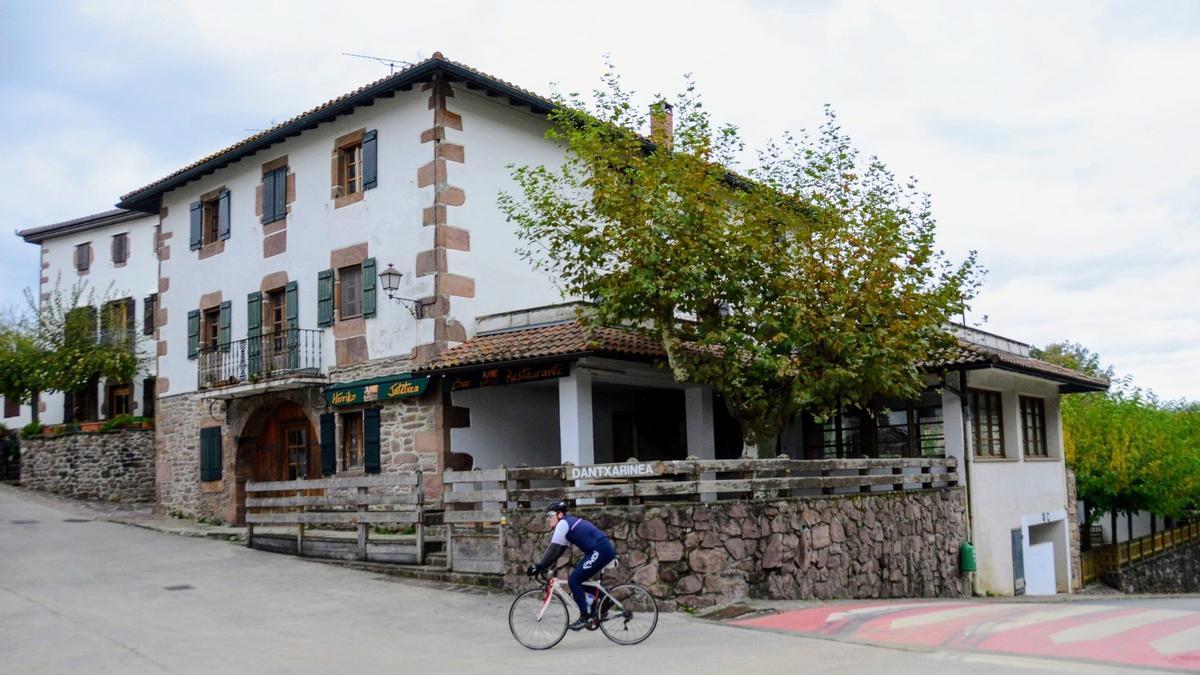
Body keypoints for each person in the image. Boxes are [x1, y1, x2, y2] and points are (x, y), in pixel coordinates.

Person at [526, 500, 616, 631]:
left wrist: (539, 566)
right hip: (598, 549)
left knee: (574, 580)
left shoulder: (563, 524)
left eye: (550, 515)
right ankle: (605, 599)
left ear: (560, 514)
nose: (548, 519)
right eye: (546, 516)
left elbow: (552, 549)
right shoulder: (567, 523)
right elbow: (558, 551)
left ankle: (585, 617)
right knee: (578, 579)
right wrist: (545, 567)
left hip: (600, 550)